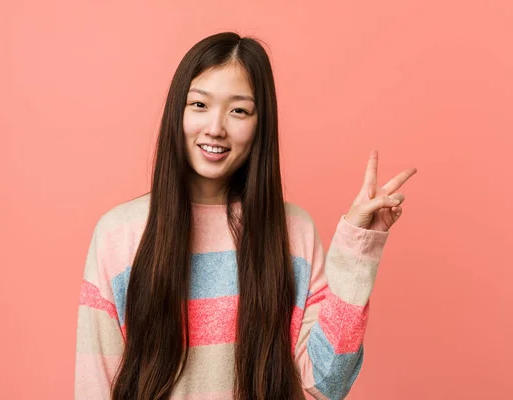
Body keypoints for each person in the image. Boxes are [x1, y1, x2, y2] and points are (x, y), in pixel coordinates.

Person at [74, 31, 417, 400]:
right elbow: (96, 385)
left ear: (260, 125)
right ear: (178, 111)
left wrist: (358, 249)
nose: (216, 128)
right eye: (199, 105)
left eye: (239, 110)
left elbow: (326, 384)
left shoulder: (292, 232)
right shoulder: (119, 234)